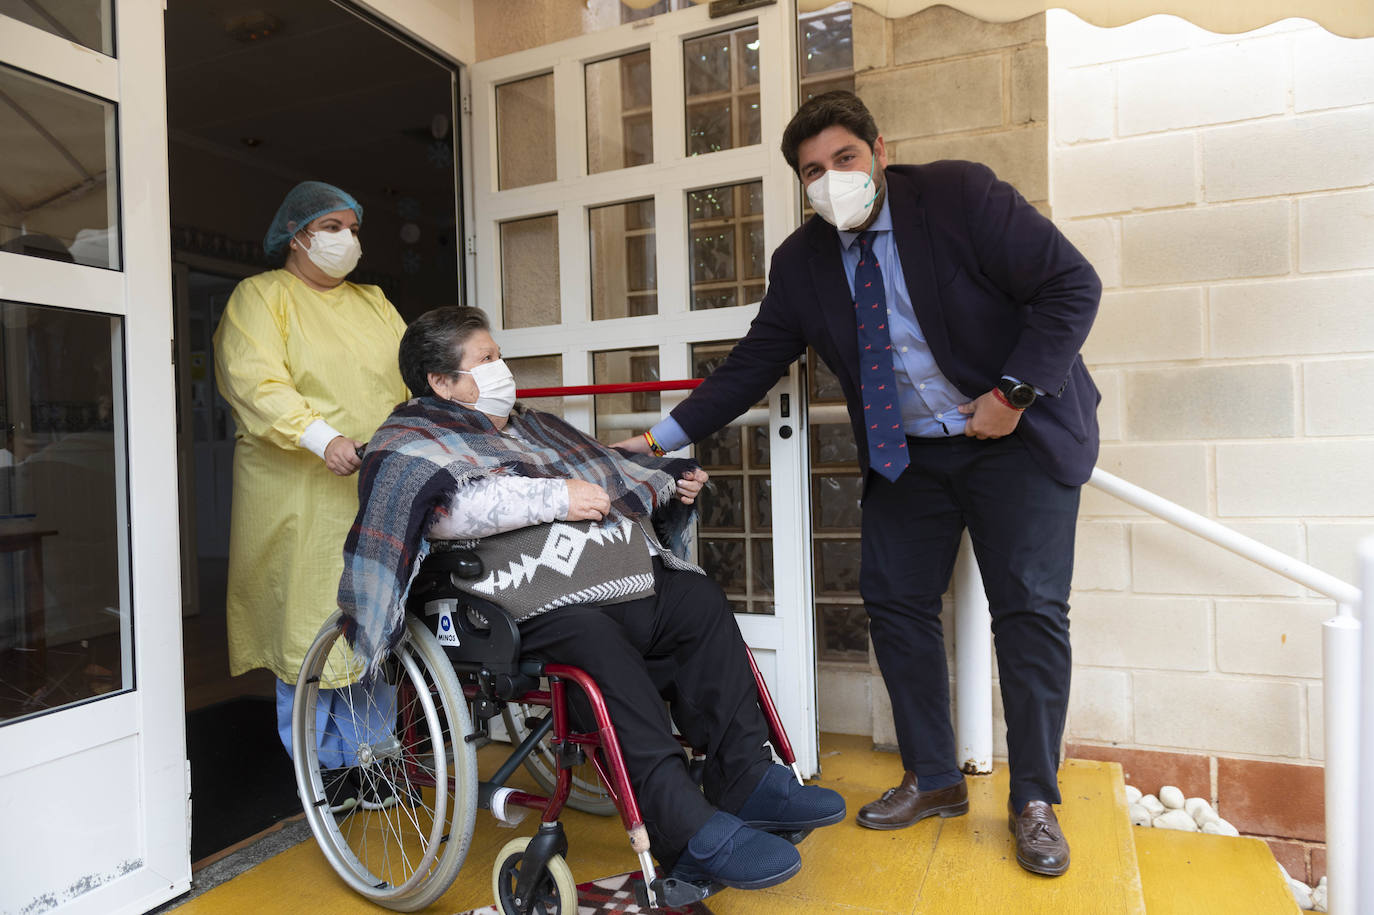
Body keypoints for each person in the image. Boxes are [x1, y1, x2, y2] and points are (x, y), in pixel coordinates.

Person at [618, 91, 1102, 877]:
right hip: (911, 456)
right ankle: (936, 776)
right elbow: (749, 367)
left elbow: (1071, 287)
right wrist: (649, 440)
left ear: (880, 149)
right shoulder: (801, 263)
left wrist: (1014, 393)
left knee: (1030, 613)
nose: (831, 178)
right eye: (813, 171)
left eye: (844, 158)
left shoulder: (958, 196)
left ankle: (1035, 800)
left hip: (1015, 434)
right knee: (894, 603)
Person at [338, 305, 846, 891]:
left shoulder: (533, 426)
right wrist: (552, 498)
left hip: (594, 579)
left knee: (695, 597)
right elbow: (447, 511)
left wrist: (664, 478)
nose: (503, 368)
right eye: (486, 359)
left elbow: (605, 469)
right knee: (591, 637)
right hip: (503, 603)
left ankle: (745, 777)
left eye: (498, 354)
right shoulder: (407, 439)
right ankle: (686, 830)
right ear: (441, 382)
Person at [213, 180, 409, 805]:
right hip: (298, 490)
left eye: (353, 227)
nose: (347, 239)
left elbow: (409, 378)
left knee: (372, 623)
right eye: (332, 227)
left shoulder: (374, 301)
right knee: (308, 629)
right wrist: (321, 437)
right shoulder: (262, 297)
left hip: (376, 481)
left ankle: (371, 762)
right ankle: (318, 770)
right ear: (296, 235)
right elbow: (254, 381)